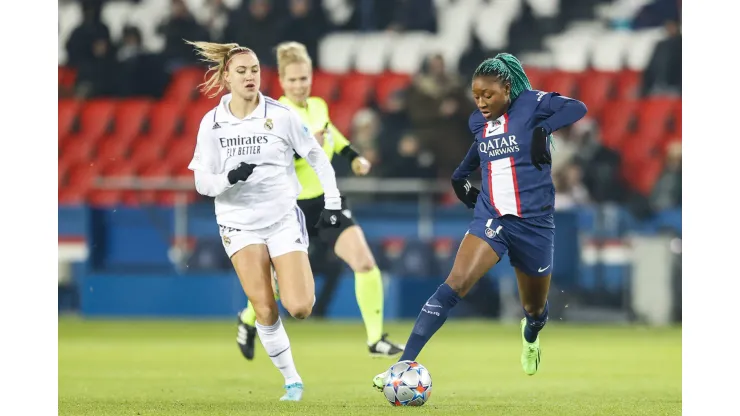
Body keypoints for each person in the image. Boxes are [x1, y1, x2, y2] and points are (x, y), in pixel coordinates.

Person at [372, 53, 588, 390]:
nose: (482, 102)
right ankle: (400, 366)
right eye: (476, 96)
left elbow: (578, 108)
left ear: (506, 88)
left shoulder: (532, 104)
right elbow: (481, 146)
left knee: (534, 308)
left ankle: (531, 333)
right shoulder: (478, 121)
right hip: (492, 217)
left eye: (488, 95)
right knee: (454, 284)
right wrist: (460, 175)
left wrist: (544, 127)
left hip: (535, 225)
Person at [185, 40, 345, 402]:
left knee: (301, 307)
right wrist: (230, 178)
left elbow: (317, 157)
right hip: (238, 223)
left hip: (281, 218)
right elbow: (201, 181)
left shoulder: (282, 116)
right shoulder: (212, 124)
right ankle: (292, 381)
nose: (249, 77)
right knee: (264, 308)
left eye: (254, 70)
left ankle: (278, 270)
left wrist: (332, 202)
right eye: (241, 71)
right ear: (226, 78)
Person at [236, 41, 405, 360]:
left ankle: (375, 339)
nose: (300, 85)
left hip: (326, 202)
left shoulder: (318, 106)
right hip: (289, 208)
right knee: (272, 283)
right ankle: (247, 321)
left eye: (304, 79)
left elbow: (334, 136)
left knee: (365, 262)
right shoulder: (273, 115)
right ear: (282, 82)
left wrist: (354, 156)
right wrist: (302, 147)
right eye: (293, 80)